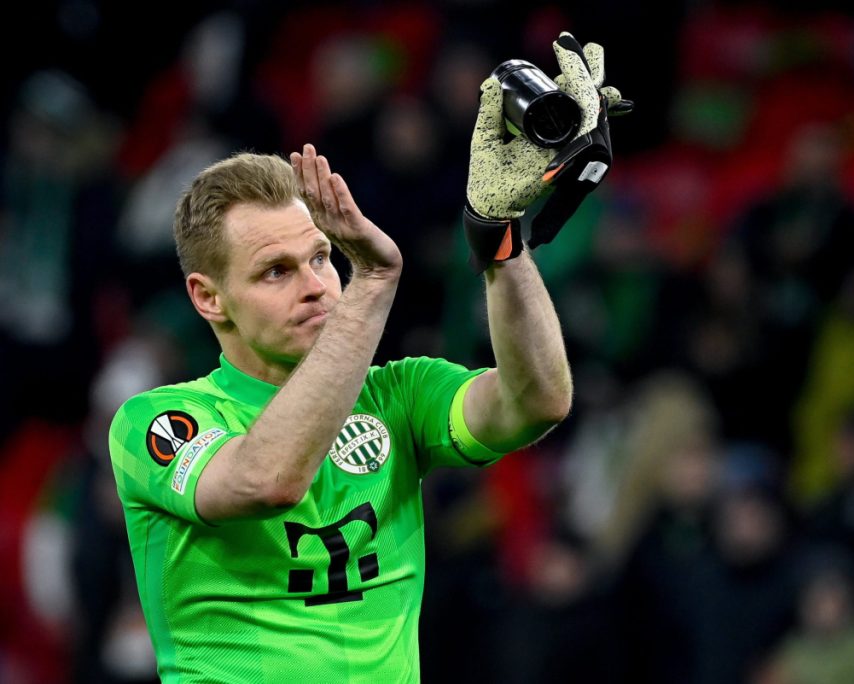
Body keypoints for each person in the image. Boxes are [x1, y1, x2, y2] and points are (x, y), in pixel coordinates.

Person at [106, 32, 628, 682]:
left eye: (323, 257)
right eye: (275, 271)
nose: (314, 285)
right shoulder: (160, 422)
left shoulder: (398, 396)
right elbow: (265, 480)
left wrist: (500, 239)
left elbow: (538, 401)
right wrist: (372, 283)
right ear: (209, 298)